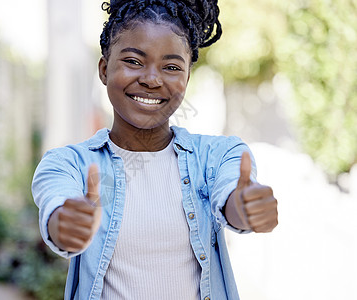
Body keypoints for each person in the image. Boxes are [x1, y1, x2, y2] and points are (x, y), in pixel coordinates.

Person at [32, 0, 278, 299]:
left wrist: (244, 207)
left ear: (186, 78)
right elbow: (58, 211)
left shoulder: (219, 155)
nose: (151, 79)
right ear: (104, 69)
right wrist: (68, 223)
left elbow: (232, 199)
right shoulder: (68, 164)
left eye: (171, 67)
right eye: (134, 61)